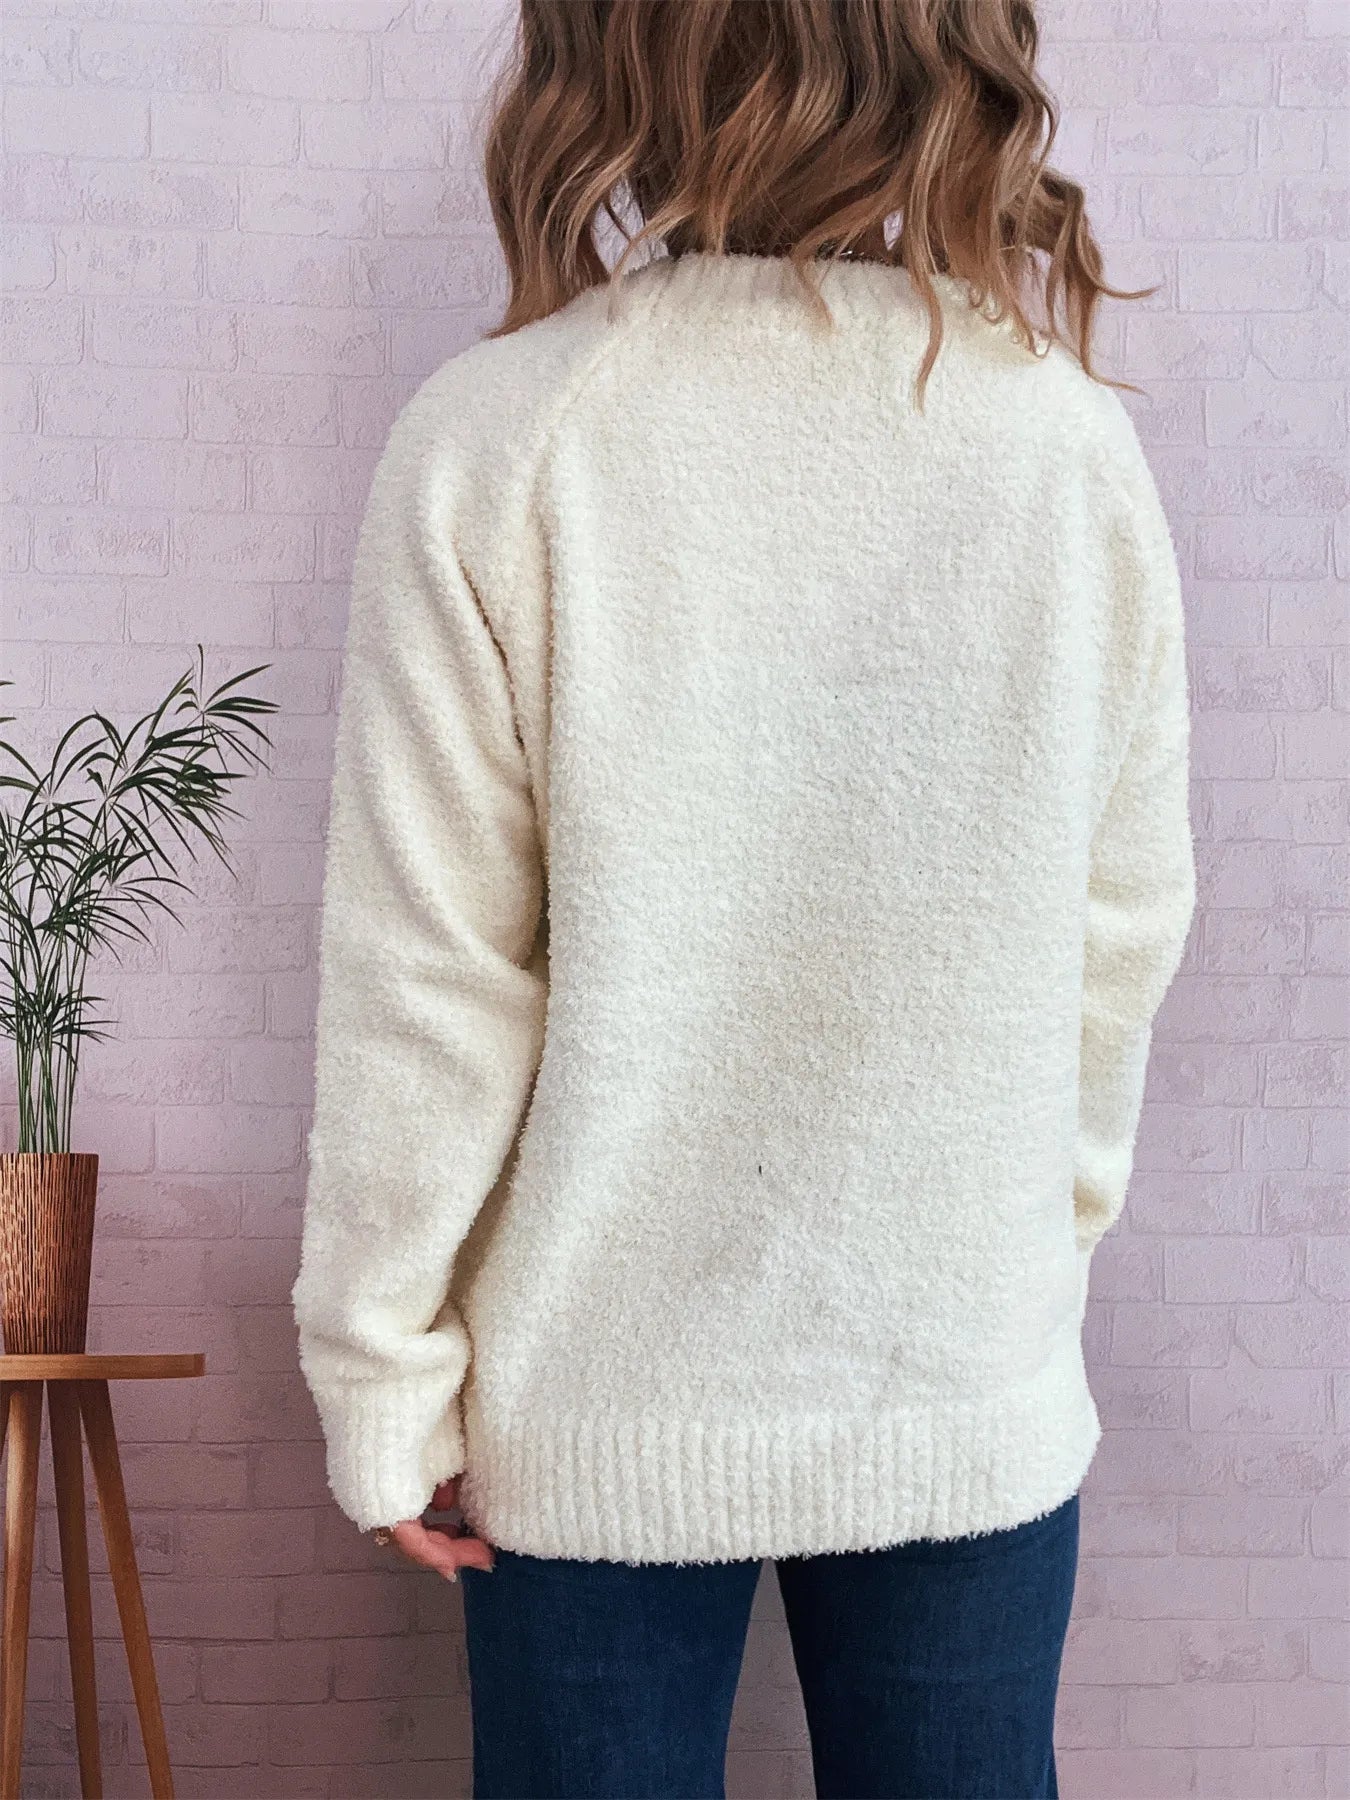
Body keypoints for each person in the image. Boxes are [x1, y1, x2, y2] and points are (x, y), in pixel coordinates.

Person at [289, 1, 1198, 1795]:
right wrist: (1037, 1238)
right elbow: (1121, 929)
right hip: (964, 1364)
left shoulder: (504, 436)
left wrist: (385, 1375)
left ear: (608, 55)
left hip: (590, 1398)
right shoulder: (1060, 441)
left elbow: (433, 977)